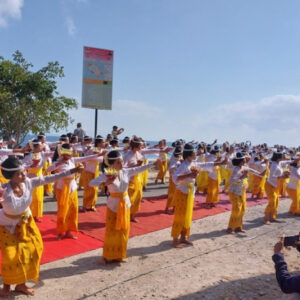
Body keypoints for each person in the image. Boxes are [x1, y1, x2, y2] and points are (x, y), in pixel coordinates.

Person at [0, 156, 82, 297]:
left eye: (24, 171)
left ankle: (21, 284)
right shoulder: (3, 191)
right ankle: (6, 286)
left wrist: (72, 170)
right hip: (7, 225)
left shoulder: (29, 183)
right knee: (11, 257)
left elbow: (51, 178)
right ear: (10, 176)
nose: (24, 174)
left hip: (26, 222)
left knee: (34, 250)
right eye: (19, 173)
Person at [89, 150, 155, 265]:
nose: (121, 164)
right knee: (112, 231)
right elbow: (91, 183)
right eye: (118, 162)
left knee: (123, 230)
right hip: (113, 205)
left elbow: (138, 169)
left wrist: (153, 164)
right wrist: (105, 183)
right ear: (111, 164)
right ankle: (106, 256)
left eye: (122, 161)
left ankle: (120, 255)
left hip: (125, 204)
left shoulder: (125, 171)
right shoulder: (107, 173)